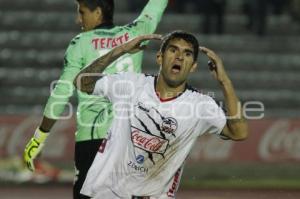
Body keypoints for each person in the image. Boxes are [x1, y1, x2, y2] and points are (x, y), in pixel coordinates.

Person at [74, 31, 248, 198]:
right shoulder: (130, 84)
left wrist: (224, 82)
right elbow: (82, 82)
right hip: (106, 193)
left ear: (193, 66)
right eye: (173, 50)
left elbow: (239, 133)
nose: (179, 57)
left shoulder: (201, 105)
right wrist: (120, 50)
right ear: (160, 57)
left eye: (187, 54)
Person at [23, 0, 169, 198]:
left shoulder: (81, 43)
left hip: (93, 139)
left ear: (98, 12)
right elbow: (155, 7)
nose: (78, 19)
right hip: (130, 141)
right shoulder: (135, 33)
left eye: (82, 13)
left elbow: (62, 91)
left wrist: (39, 137)